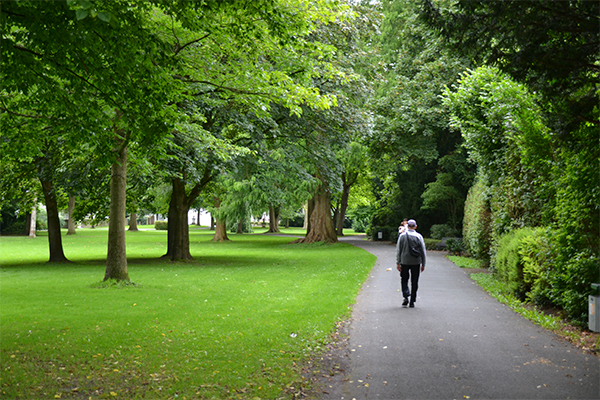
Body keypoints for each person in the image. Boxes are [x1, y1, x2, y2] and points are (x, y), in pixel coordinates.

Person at [396, 219, 426, 308]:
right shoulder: (419, 236)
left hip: (404, 261)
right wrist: (423, 263)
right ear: (415, 226)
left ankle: (406, 296)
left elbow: (398, 250)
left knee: (404, 279)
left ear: (407, 226)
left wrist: (398, 262)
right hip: (416, 262)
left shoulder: (402, 236)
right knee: (414, 281)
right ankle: (412, 301)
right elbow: (423, 251)